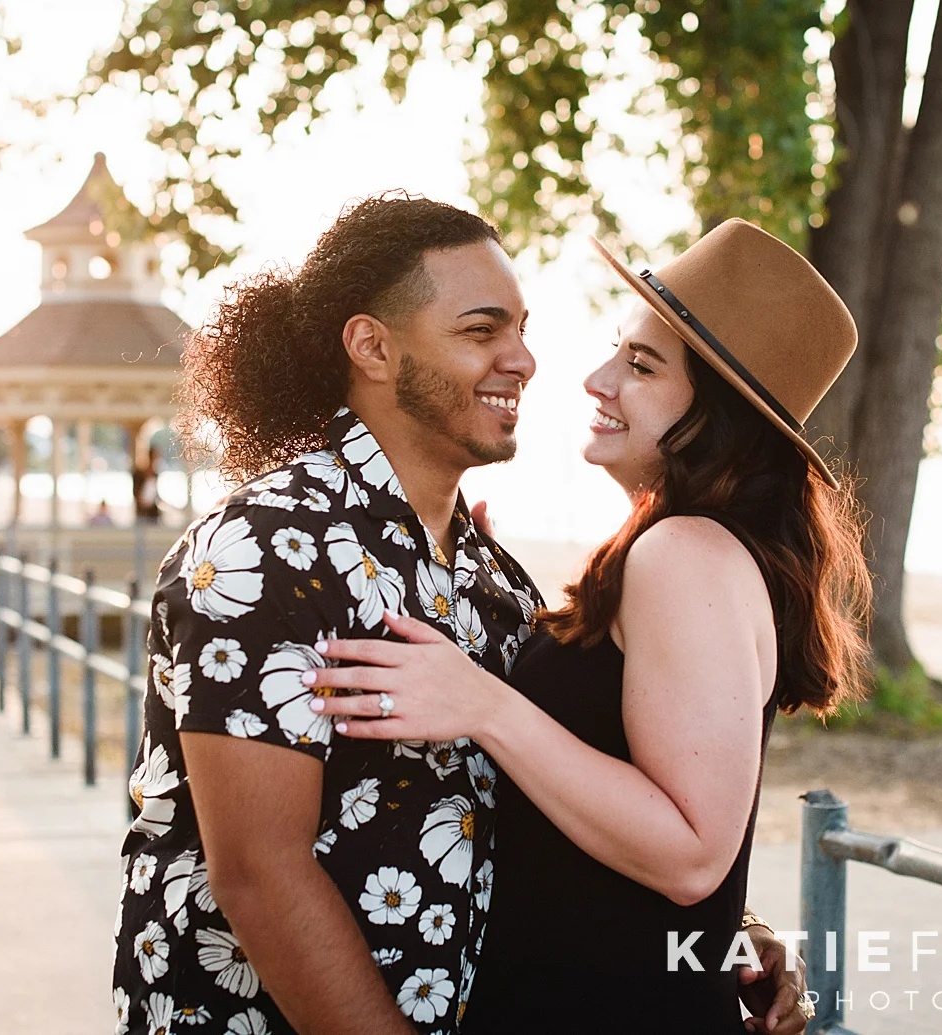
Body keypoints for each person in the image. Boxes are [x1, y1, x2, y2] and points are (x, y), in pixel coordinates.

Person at [112, 197, 802, 1035]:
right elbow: (259, 872)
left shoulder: (492, 581)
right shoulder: (265, 548)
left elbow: (567, 814)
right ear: (373, 346)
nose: (527, 361)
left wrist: (717, 934)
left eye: (521, 328)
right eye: (482, 331)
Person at [311, 219, 874, 1033]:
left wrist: (486, 706)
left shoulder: (683, 553)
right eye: (617, 350)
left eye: (640, 365)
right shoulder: (673, 548)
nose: (595, 379)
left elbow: (689, 854)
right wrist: (732, 936)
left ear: (714, 413)